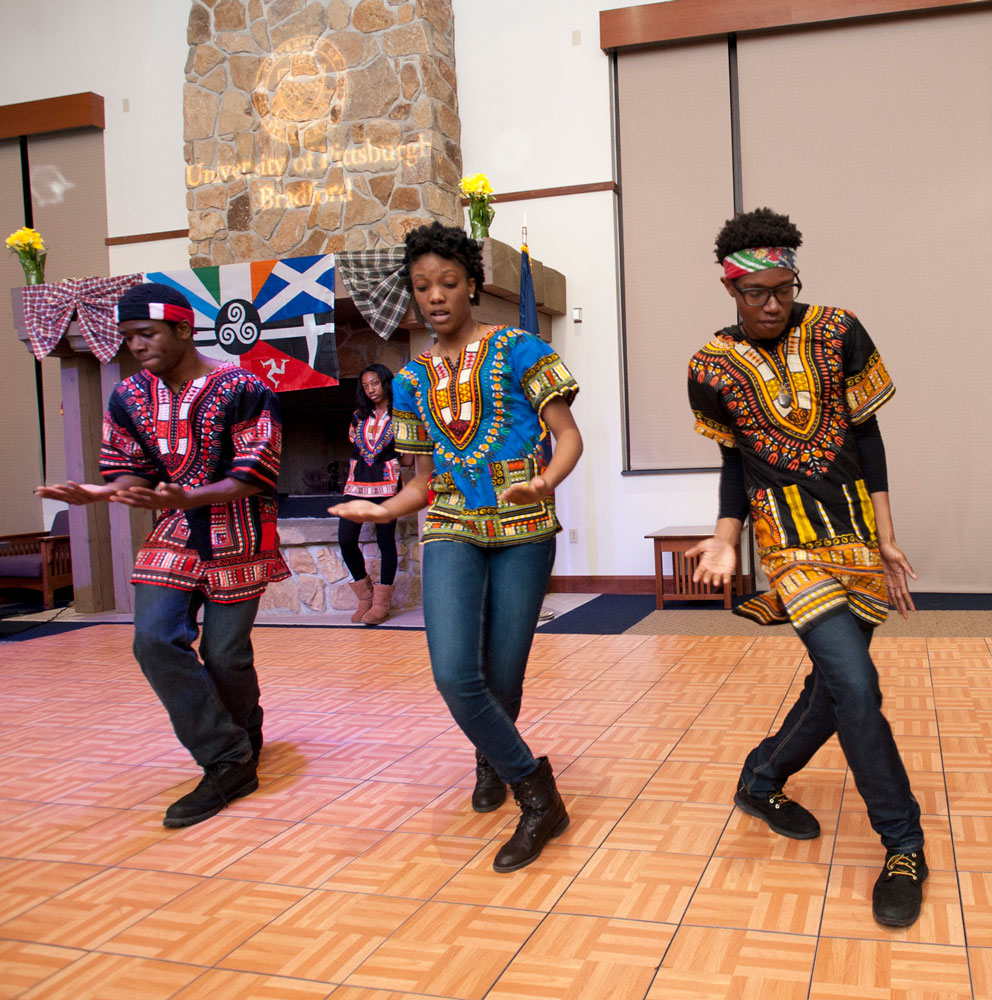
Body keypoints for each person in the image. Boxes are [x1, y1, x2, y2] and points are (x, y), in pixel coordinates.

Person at [686, 207, 927, 927]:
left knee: (833, 688)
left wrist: (886, 537)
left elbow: (869, 434)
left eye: (782, 288)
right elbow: (735, 465)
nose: (770, 303)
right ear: (730, 288)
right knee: (858, 684)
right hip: (787, 544)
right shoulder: (710, 366)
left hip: (854, 537)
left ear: (796, 278)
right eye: (754, 292)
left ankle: (762, 779)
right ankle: (903, 843)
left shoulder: (840, 330)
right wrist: (727, 536)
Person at [330, 222, 582, 871]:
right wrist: (382, 507)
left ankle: (491, 760)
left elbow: (569, 436)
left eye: (447, 282)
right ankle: (536, 793)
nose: (435, 296)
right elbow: (422, 483)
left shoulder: (521, 348)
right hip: (448, 524)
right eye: (422, 287)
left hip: (524, 529)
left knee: (503, 677)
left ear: (472, 283)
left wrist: (546, 480)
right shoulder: (410, 381)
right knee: (453, 674)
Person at [35, 282, 288, 828]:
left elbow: (255, 473)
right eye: (127, 337)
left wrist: (190, 494)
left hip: (239, 529)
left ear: (182, 328)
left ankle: (244, 728)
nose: (136, 346)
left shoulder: (243, 385)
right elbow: (127, 466)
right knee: (152, 638)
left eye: (145, 334)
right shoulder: (128, 396)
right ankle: (228, 758)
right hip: (175, 527)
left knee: (225, 655)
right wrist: (108, 491)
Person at [337, 363, 409, 624]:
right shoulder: (358, 416)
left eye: (375, 383)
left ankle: (381, 603)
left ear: (385, 382)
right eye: (365, 386)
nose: (370, 390)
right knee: (346, 539)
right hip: (356, 485)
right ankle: (365, 597)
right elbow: (357, 448)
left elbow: (409, 460)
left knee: (385, 541)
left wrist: (408, 447)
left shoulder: (401, 414)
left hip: (387, 485)